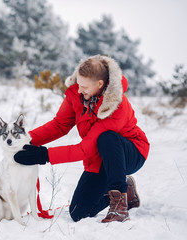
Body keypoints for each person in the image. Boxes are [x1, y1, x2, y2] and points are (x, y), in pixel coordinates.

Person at [14, 55, 150, 223]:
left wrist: (44, 155)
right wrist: (26, 139)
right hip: (100, 156)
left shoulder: (116, 105)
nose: (79, 90)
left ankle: (119, 205)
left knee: (107, 138)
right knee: (79, 213)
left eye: (84, 86)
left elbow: (85, 149)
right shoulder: (76, 94)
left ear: (100, 84)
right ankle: (126, 188)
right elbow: (59, 125)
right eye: (78, 84)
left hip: (131, 153)